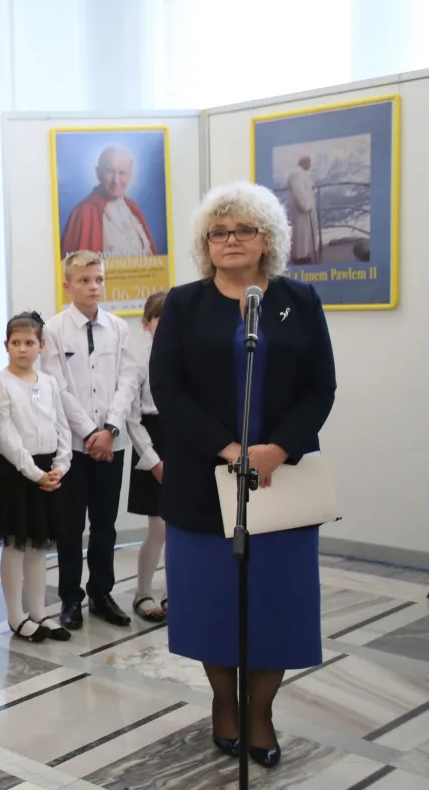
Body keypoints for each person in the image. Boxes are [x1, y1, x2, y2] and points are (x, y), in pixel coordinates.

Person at [150, 182, 335, 769]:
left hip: (279, 486)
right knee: (211, 606)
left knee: (276, 607)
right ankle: (222, 706)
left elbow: (319, 387)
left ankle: (259, 713)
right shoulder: (183, 303)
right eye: (219, 232)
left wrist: (278, 449)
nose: (231, 241)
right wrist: (229, 448)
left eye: (244, 230)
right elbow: (168, 391)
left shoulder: (299, 301)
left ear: (268, 239)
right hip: (204, 483)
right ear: (208, 244)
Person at [42, 250, 142, 630]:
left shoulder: (119, 328)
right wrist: (89, 433)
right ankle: (70, 598)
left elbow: (128, 381)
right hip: (73, 446)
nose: (93, 286)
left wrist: (111, 430)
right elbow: (58, 387)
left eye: (98, 279)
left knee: (105, 524)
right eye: (85, 280)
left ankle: (102, 592)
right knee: (70, 525)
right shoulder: (53, 330)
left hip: (109, 446)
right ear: (68, 283)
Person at [0, 312, 72, 644]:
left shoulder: (48, 382)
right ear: (6, 345)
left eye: (29, 342)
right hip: (16, 472)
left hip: (49, 471)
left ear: (41, 345)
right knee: (16, 544)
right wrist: (34, 474)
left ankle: (38, 611)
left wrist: (61, 465)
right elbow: (5, 436)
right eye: (15, 343)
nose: (22, 348)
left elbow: (62, 426)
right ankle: (15, 615)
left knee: (39, 546)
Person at [127, 290, 168, 624]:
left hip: (183, 442)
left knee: (185, 528)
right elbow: (132, 419)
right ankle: (143, 592)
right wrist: (153, 460)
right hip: (151, 444)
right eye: (159, 321)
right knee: (159, 527)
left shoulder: (189, 359)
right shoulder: (138, 363)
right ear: (146, 323)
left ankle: (178, 592)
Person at [61, 146, 160, 257]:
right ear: (98, 173)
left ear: (130, 175)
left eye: (122, 173)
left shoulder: (133, 208)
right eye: (109, 171)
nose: (115, 181)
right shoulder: (84, 213)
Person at [286, 155, 318, 264]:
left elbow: (306, 186)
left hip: (306, 210)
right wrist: (306, 206)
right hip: (301, 210)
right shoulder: (295, 174)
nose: (310, 165)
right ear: (303, 162)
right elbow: (298, 192)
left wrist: (312, 186)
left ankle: (304, 254)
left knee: (305, 233)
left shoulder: (302, 174)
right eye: (309, 162)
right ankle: (299, 257)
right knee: (300, 233)